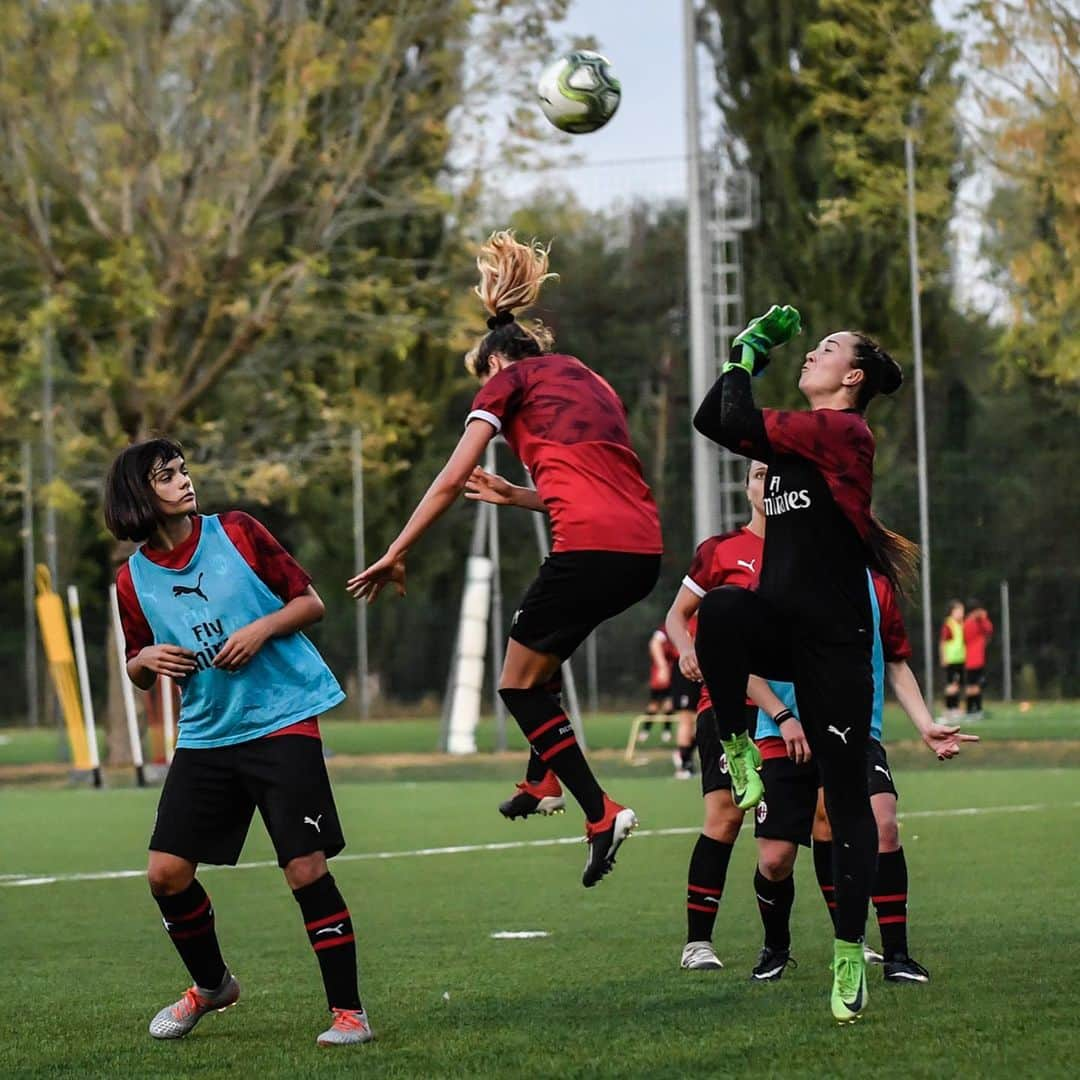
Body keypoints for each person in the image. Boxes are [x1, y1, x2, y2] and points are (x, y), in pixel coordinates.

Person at [348, 231, 663, 887]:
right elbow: (594, 486)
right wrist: (518, 495)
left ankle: (601, 812)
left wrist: (396, 551)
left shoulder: (506, 383)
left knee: (516, 683)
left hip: (591, 553)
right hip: (642, 552)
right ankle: (539, 778)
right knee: (537, 667)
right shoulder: (591, 380)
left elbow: (446, 479)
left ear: (495, 366)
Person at [105, 439, 372, 1048]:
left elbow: (311, 602)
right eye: (166, 476)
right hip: (206, 735)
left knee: (305, 868)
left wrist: (260, 629)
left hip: (282, 719)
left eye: (183, 471)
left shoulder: (239, 531)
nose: (184, 481)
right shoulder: (132, 579)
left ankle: (349, 1014)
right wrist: (145, 658)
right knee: (166, 875)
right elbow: (135, 665)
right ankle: (212, 987)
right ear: (138, 496)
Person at [691, 303, 914, 1022]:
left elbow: (731, 416)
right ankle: (735, 745)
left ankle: (850, 952)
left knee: (847, 808)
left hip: (835, 645)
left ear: (851, 377)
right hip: (784, 625)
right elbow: (712, 418)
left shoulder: (843, 430)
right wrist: (742, 354)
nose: (811, 353)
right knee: (721, 611)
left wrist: (747, 354)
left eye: (826, 349)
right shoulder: (797, 443)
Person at [748, 571, 977, 986]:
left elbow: (896, 663)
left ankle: (898, 956)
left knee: (884, 826)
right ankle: (776, 948)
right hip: (783, 733)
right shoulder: (772, 579)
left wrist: (926, 725)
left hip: (853, 731)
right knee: (775, 860)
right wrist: (782, 718)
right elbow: (744, 665)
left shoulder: (876, 585)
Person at [665, 461, 767, 970]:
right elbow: (676, 615)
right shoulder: (721, 551)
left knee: (821, 818)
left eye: (776, 475)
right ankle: (697, 943)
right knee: (726, 817)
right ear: (746, 486)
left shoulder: (807, 556)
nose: (766, 482)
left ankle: (850, 941)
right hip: (727, 707)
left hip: (792, 708)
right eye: (757, 474)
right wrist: (686, 649)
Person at [639, 625, 676, 745]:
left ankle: (666, 731)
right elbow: (654, 644)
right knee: (654, 705)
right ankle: (645, 731)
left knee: (669, 705)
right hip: (660, 676)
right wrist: (662, 667)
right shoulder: (665, 630)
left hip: (674, 675)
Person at [963, 601, 994, 719]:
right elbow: (989, 629)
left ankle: (972, 710)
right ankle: (974, 710)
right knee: (975, 686)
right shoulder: (973, 623)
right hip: (975, 660)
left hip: (972, 660)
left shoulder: (968, 623)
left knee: (974, 685)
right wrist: (983, 618)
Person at [939, 600, 966, 718]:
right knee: (952, 685)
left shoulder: (961, 624)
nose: (961, 613)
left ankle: (954, 708)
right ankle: (949, 709)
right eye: (959, 610)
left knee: (957, 685)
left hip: (960, 659)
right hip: (952, 660)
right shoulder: (949, 625)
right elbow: (942, 642)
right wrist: (943, 657)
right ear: (952, 611)